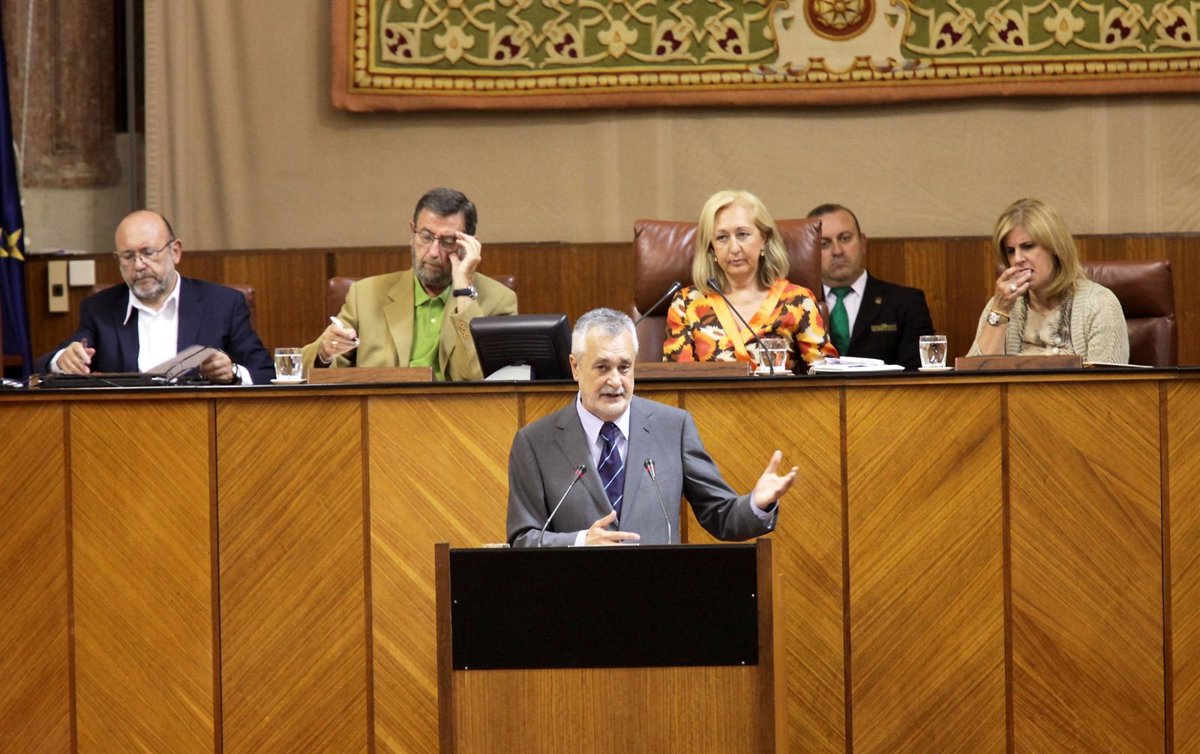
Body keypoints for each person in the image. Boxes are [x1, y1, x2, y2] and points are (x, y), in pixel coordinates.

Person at [508, 308, 797, 547]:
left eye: (624, 367)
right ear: (575, 367)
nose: (615, 381)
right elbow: (522, 539)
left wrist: (757, 503)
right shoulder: (535, 443)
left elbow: (720, 515)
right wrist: (581, 541)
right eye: (602, 367)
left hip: (658, 591)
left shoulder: (673, 428)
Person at [304, 187, 517, 380]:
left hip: (457, 410)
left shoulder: (499, 301)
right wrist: (324, 352)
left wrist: (464, 290)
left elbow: (479, 379)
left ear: (469, 245)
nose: (433, 252)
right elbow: (307, 370)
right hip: (382, 408)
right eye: (426, 236)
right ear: (412, 232)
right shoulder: (365, 295)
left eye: (448, 241)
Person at [37, 209, 273, 384]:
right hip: (124, 425)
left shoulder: (222, 304)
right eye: (128, 257)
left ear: (175, 251)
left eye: (148, 253)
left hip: (201, 423)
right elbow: (43, 365)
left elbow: (265, 373)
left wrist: (233, 373)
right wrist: (62, 360)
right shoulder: (100, 309)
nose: (139, 265)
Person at [663, 189, 835, 371]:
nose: (734, 248)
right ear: (712, 248)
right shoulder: (687, 303)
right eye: (722, 238)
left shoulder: (798, 301)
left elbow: (826, 377)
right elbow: (676, 381)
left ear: (764, 239)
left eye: (742, 234)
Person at [967, 198, 1128, 363]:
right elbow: (973, 376)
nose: (1017, 259)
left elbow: (1105, 380)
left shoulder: (1099, 304)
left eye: (1027, 246)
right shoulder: (1001, 305)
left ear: (1055, 247)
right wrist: (1000, 312)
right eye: (1010, 251)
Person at [807, 203, 935, 370]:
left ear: (862, 242)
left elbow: (918, 373)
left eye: (845, 238)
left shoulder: (906, 303)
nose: (837, 251)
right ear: (810, 251)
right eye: (824, 243)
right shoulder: (798, 306)